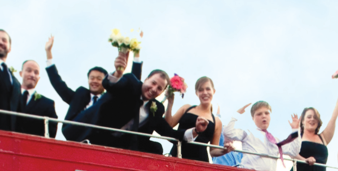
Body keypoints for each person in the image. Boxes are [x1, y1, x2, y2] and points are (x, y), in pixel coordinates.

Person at [65, 51, 207, 152]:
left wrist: (196, 130)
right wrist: (117, 73)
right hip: (94, 135)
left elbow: (169, 133)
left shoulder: (156, 108)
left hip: (121, 147)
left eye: (159, 88)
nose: (154, 89)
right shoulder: (131, 83)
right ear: (145, 79)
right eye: (153, 83)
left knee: (156, 148)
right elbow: (112, 85)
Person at [44, 35, 142, 123]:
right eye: (92, 78)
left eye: (99, 79)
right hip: (79, 135)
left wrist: (136, 56)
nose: (95, 81)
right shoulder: (79, 97)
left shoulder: (109, 99)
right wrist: (48, 53)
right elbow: (58, 84)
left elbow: (132, 89)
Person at [222, 102, 302, 171]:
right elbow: (228, 132)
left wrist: (295, 130)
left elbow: (293, 151)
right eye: (259, 114)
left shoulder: (275, 140)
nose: (263, 116)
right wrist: (237, 114)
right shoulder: (247, 133)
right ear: (253, 118)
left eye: (266, 113)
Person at [288, 83, 338, 171]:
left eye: (315, 117)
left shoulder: (323, 137)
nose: (312, 119)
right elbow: (291, 153)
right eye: (309, 117)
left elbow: (334, 118)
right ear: (302, 121)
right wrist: (305, 160)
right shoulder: (297, 136)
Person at [164, 76, 228, 163]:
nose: (205, 92)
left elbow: (213, 151)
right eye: (201, 90)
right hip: (177, 156)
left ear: (213, 91)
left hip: (200, 163)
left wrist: (225, 150)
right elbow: (168, 125)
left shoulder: (217, 122)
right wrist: (170, 103)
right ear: (196, 93)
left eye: (208, 89)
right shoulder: (186, 108)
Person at [14, 59, 58, 138]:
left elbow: (51, 133)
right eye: (29, 70)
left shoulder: (47, 104)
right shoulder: (10, 95)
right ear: (21, 73)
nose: (32, 75)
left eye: (36, 72)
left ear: (39, 78)